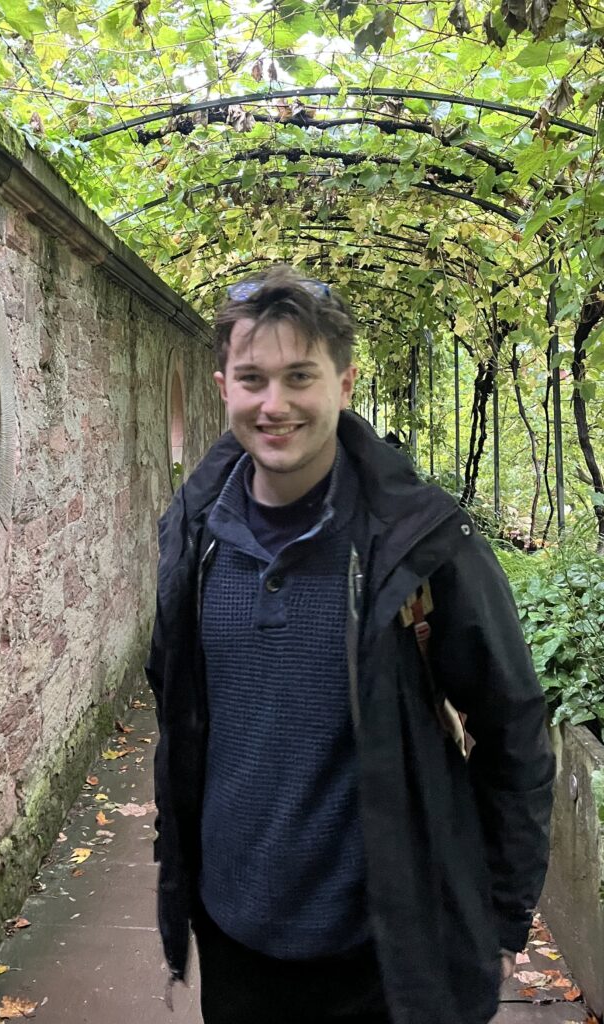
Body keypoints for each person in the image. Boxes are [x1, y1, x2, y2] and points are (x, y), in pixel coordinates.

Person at [145, 265, 555, 1024]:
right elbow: (179, 716)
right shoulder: (194, 536)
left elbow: (514, 729)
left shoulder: (422, 544)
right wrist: (180, 882)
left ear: (345, 382)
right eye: (253, 379)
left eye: (300, 376)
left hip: (385, 953)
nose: (275, 404)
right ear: (224, 387)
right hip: (236, 943)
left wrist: (502, 916)